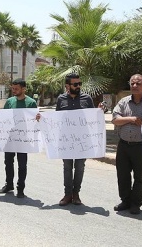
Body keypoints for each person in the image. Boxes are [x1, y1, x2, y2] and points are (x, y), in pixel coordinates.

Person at [112, 74, 142, 215]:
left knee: (139, 177)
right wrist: (132, 119)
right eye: (132, 83)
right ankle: (125, 201)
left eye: (138, 83)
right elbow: (115, 119)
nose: (134, 86)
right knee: (122, 175)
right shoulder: (123, 102)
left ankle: (135, 204)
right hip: (124, 146)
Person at [55, 73, 95, 206]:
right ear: (67, 86)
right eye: (75, 84)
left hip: (82, 140)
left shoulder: (87, 98)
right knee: (67, 167)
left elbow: (93, 118)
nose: (78, 86)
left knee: (79, 167)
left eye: (80, 84)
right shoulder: (61, 99)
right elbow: (56, 119)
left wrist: (100, 112)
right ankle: (67, 195)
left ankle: (76, 194)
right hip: (66, 140)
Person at [0, 78, 37, 198]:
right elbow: (4, 118)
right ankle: (9, 184)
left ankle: (21, 188)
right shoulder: (9, 101)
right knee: (8, 162)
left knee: (22, 164)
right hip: (9, 138)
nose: (14, 90)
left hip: (23, 139)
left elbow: (34, 121)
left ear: (23, 89)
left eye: (16, 89)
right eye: (12, 88)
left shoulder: (31, 103)